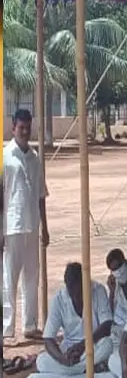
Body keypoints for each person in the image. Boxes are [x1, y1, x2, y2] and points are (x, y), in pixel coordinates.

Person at [3, 108, 50, 340]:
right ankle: (6, 327)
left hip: (32, 225)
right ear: (13, 128)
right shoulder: (5, 156)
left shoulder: (35, 157)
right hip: (11, 225)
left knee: (32, 277)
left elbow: (41, 195)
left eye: (28, 128)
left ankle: (30, 325)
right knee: (9, 278)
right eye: (21, 128)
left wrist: (45, 227)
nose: (25, 131)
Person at [36, 263, 114, 376]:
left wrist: (83, 345)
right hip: (70, 350)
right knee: (41, 361)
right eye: (74, 294)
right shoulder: (59, 299)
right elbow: (48, 338)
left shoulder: (98, 290)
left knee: (108, 344)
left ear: (87, 283)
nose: (78, 297)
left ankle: (75, 370)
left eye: (81, 292)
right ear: (67, 287)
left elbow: (106, 326)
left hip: (93, 344)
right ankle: (85, 369)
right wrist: (63, 360)